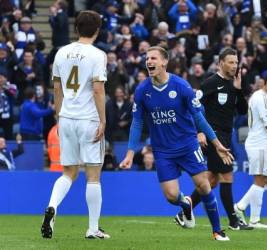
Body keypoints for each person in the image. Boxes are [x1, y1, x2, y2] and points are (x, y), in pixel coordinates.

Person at [120, 46, 234, 241]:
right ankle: (186, 205)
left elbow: (199, 118)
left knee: (203, 185)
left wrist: (216, 144)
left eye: (153, 58)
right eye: (147, 58)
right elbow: (137, 122)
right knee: (172, 196)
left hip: (188, 146)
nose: (149, 62)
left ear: (164, 62)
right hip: (163, 151)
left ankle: (217, 230)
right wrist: (130, 154)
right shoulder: (142, 90)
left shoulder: (181, 86)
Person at [41, 10, 110, 240]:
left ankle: (52, 206)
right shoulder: (98, 55)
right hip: (88, 119)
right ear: (97, 31)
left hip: (67, 118)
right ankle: (92, 228)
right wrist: (103, 120)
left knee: (68, 172)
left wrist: (59, 116)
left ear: (76, 28)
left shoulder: (61, 52)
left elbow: (57, 88)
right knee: (93, 175)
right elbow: (98, 89)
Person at [175, 48, 251, 230]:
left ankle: (184, 211)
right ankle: (234, 221)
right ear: (221, 63)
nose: (234, 66)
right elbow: (193, 107)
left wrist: (239, 90)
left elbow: (242, 111)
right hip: (213, 134)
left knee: (212, 179)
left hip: (226, 134)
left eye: (236, 62)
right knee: (226, 175)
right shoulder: (210, 83)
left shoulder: (234, 84)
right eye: (231, 62)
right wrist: (198, 132)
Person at [234, 73, 267, 229]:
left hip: (263, 143)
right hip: (258, 144)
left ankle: (240, 206)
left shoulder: (264, 98)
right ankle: (253, 219)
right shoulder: (261, 98)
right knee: (260, 180)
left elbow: (262, 124)